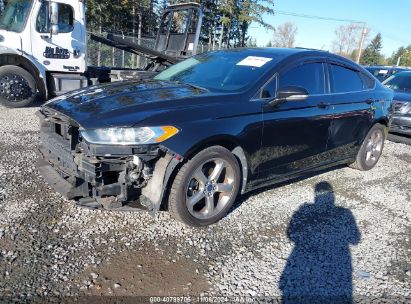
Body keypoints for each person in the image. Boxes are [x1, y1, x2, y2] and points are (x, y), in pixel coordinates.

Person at [279, 181, 361, 304]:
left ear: (316, 195)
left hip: (306, 269)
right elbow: (355, 239)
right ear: (332, 195)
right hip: (336, 273)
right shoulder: (345, 213)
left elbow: (291, 235)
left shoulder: (303, 210)